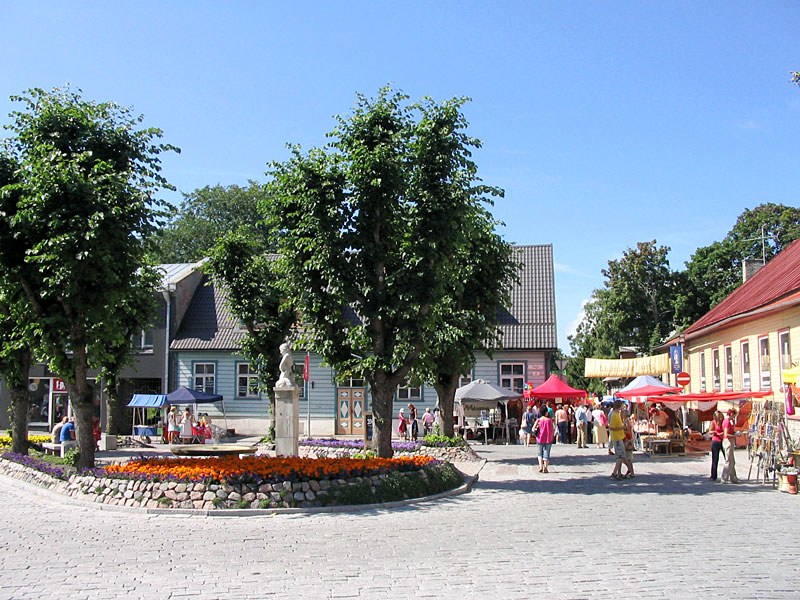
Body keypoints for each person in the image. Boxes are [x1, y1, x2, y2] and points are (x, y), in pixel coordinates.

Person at [608, 401, 627, 479]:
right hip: (617, 438)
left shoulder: (617, 414)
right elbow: (611, 427)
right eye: (622, 406)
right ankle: (614, 472)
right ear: (620, 406)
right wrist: (622, 428)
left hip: (619, 437)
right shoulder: (614, 415)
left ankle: (619, 473)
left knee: (621, 456)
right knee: (620, 456)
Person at [721, 409, 740, 483]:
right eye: (734, 415)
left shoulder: (729, 421)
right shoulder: (727, 422)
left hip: (730, 441)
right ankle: (724, 477)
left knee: (732, 461)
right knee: (729, 461)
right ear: (731, 414)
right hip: (728, 441)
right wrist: (735, 435)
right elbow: (726, 434)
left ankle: (733, 477)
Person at [535, 408, 555, 473]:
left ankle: (541, 467)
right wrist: (552, 436)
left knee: (540, 453)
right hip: (548, 439)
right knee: (547, 453)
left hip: (539, 438)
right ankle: (545, 468)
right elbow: (552, 429)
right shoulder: (549, 420)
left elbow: (533, 428)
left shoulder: (538, 420)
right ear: (546, 412)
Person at [709, 410, 725, 481]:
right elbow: (710, 431)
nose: (719, 418)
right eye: (718, 416)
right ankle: (713, 476)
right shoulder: (713, 422)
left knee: (727, 458)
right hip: (715, 441)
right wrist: (716, 432)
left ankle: (729, 474)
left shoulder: (723, 422)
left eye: (720, 416)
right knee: (715, 459)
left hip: (723, 441)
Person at [621, 410, 635, 478]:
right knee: (627, 458)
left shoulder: (627, 421)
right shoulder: (625, 421)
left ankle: (630, 470)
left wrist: (621, 430)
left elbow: (628, 432)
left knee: (626, 458)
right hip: (625, 440)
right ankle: (631, 472)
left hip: (627, 440)